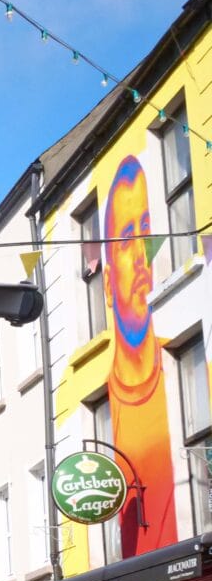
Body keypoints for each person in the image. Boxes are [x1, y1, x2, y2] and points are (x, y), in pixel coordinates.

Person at [103, 155, 176, 555]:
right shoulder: (99, 401)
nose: (140, 256)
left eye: (146, 231)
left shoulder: (187, 360)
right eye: (125, 239)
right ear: (106, 281)